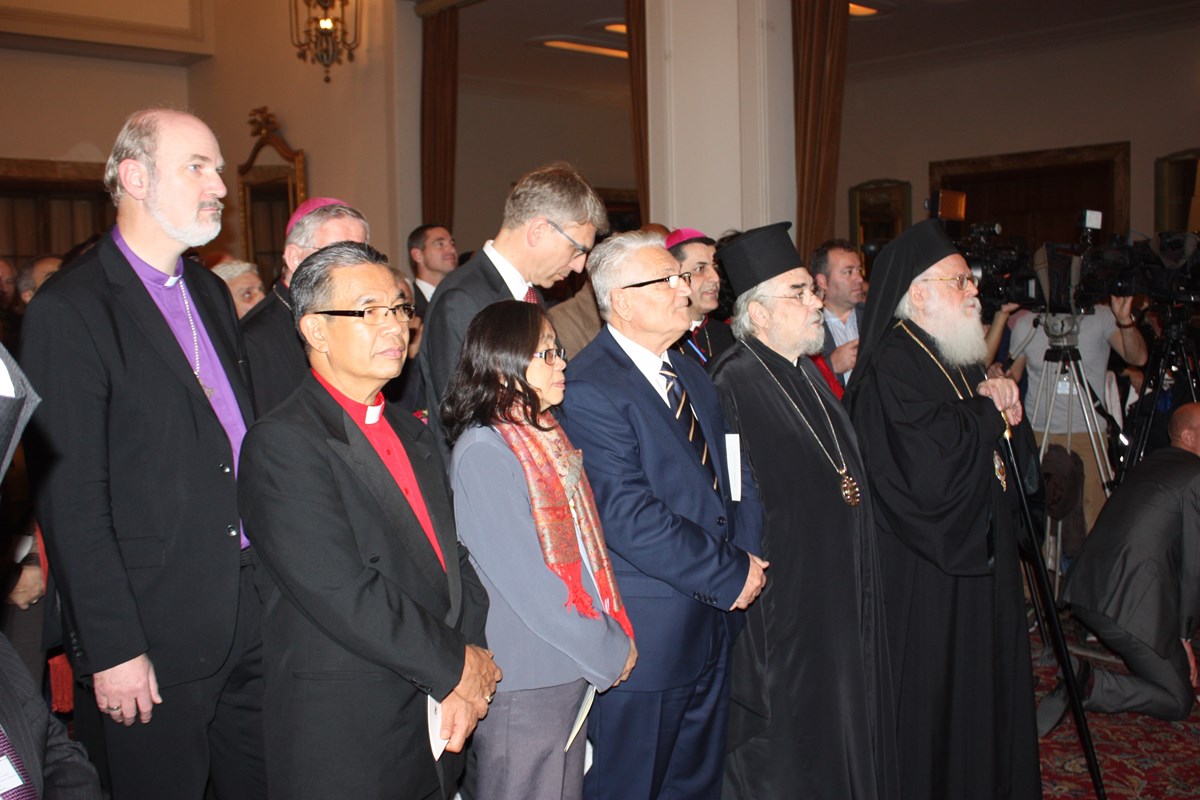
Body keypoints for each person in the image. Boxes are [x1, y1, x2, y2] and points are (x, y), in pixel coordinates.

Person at [21, 108, 265, 799]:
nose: (219, 184)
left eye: (217, 167)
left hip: (248, 604)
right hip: (151, 630)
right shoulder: (71, 311)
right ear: (134, 177)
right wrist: (114, 647)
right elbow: (70, 502)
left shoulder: (212, 293)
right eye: (199, 166)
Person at [238, 242, 497, 799]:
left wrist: (469, 662)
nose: (394, 326)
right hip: (351, 723)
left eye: (400, 309)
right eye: (369, 311)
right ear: (314, 330)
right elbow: (341, 588)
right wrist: (454, 664)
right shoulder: (283, 441)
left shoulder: (411, 429)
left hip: (434, 707)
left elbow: (456, 559)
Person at [560, 230, 765, 800]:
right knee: (633, 785)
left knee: (695, 783)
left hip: (714, 619)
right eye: (668, 279)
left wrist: (745, 557)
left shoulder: (689, 370)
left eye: (684, 276)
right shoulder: (587, 387)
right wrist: (727, 571)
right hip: (647, 636)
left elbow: (734, 470)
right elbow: (626, 515)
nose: (686, 288)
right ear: (621, 300)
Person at [845, 218, 1042, 800]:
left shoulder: (957, 353)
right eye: (960, 282)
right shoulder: (892, 363)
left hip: (980, 558)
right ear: (920, 293)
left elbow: (993, 432)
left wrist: (1003, 405)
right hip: (928, 574)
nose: (974, 291)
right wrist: (986, 412)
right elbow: (924, 467)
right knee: (935, 708)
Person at [710, 222, 898, 799]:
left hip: (836, 597)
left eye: (810, 290)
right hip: (786, 615)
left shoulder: (804, 372)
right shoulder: (732, 384)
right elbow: (734, 508)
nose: (817, 300)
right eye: (800, 292)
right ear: (759, 314)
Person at [442, 300, 637, 800]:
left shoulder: (542, 435)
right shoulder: (487, 449)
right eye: (547, 354)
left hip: (562, 664)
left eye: (559, 351)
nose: (562, 363)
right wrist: (607, 647)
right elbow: (531, 585)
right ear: (506, 366)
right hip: (526, 677)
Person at [420, 163, 608, 453]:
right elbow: (461, 422)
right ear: (538, 230)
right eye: (576, 249)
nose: (579, 265)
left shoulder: (530, 294)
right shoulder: (462, 299)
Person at [1041, 402, 1200, 729]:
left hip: (1087, 590)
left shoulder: (1151, 464)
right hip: (1123, 606)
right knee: (1179, 697)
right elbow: (1193, 568)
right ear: (1188, 435)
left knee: (1169, 668)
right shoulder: (1195, 475)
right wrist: (1185, 637)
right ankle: (1090, 685)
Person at [1007, 294, 1147, 531]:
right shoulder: (1029, 322)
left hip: (1088, 431)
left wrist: (1124, 319)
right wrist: (999, 374)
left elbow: (1138, 357)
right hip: (1040, 432)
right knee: (1038, 520)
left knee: (1095, 520)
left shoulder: (1100, 316)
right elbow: (1014, 375)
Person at [241, 197, 369, 414]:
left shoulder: (356, 317)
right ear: (294, 257)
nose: (353, 269)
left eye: (360, 255)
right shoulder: (255, 337)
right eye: (336, 254)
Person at [666, 227, 734, 368]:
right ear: (673, 276)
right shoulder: (659, 339)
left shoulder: (731, 335)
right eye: (700, 269)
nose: (715, 278)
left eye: (715, 268)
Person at [811, 239, 865, 386]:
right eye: (848, 272)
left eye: (858, 270)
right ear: (822, 281)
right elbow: (795, 383)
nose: (859, 279)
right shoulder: (805, 326)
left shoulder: (875, 319)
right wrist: (830, 366)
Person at [408, 224, 458, 319]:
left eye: (452, 243)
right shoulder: (407, 303)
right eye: (440, 244)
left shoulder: (461, 298)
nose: (452, 250)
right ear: (417, 255)